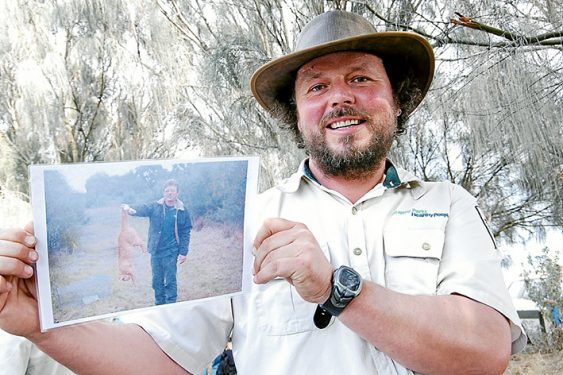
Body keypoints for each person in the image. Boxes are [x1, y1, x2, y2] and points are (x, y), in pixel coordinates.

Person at [0, 10, 526, 375]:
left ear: (395, 101)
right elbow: (160, 360)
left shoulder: (448, 205)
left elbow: (484, 352)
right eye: (316, 86)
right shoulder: (251, 217)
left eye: (361, 79)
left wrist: (336, 289)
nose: (339, 97)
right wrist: (40, 328)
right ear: (297, 116)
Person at [121, 179, 192, 305]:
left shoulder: (182, 210)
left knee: (170, 280)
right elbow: (143, 208)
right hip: (156, 251)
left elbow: (185, 232)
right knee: (156, 281)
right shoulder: (156, 206)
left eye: (172, 191)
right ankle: (159, 304)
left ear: (177, 193)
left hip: (171, 251)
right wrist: (130, 208)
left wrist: (183, 252)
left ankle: (171, 304)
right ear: (163, 193)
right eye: (167, 191)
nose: (169, 193)